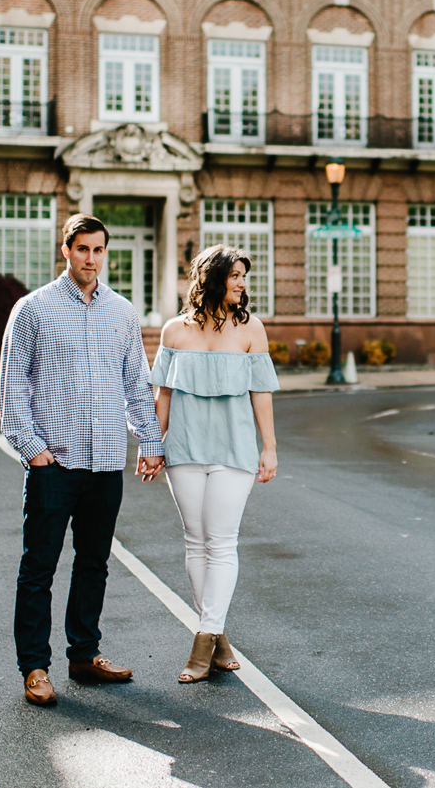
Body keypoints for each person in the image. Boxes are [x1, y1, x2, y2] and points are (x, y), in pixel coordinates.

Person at [0, 212, 164, 707]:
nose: (91, 259)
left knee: (94, 563)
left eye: (98, 250)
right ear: (66, 250)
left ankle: (83, 656)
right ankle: (34, 668)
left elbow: (137, 383)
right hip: (56, 464)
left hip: (106, 462)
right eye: (82, 249)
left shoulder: (121, 311)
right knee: (39, 569)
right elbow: (11, 390)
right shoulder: (33, 310)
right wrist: (35, 451)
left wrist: (150, 442)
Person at [139, 243, 279, 683]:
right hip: (183, 448)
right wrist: (152, 445)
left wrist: (269, 447)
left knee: (221, 541)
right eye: (235, 275)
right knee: (195, 540)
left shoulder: (251, 329)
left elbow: (261, 393)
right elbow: (163, 395)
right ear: (213, 278)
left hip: (234, 450)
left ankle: (203, 640)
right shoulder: (174, 332)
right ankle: (216, 633)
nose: (242, 284)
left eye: (244, 276)